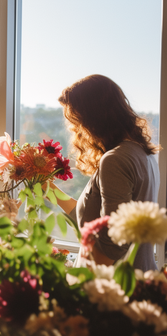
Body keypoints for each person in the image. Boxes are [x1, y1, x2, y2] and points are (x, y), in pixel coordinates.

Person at [52, 74, 160, 271]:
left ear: (93, 118)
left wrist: (76, 283)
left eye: (76, 120)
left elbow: (115, 240)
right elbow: (91, 221)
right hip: (140, 279)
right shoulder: (143, 154)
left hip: (115, 287)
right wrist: (49, 190)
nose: (76, 129)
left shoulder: (115, 159)